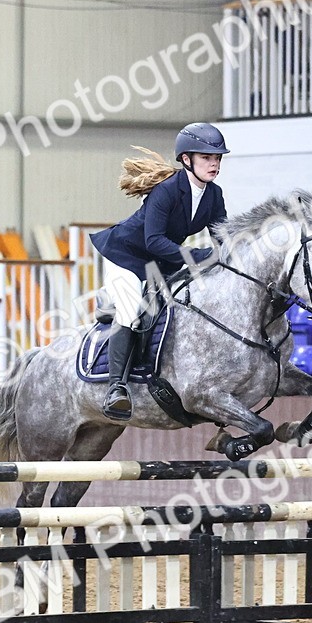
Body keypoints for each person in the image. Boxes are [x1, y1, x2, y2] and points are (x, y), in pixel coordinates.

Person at [89, 122, 230, 420]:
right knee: (130, 312)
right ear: (186, 159)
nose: (214, 163)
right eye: (207, 157)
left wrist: (233, 255)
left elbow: (223, 237)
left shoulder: (214, 195)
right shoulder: (166, 191)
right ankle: (117, 388)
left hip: (161, 262)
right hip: (125, 256)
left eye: (217, 158)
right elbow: (153, 240)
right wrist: (200, 255)